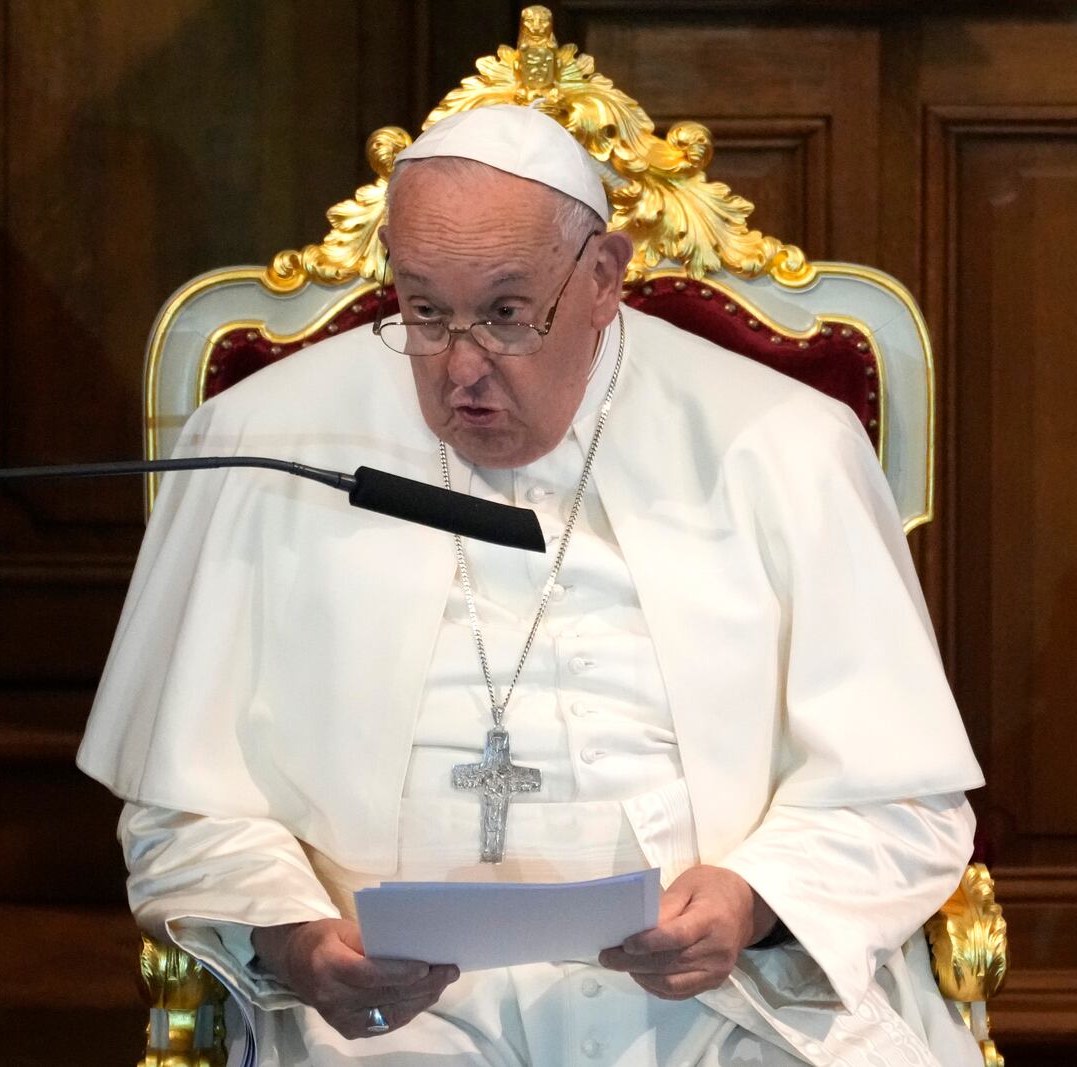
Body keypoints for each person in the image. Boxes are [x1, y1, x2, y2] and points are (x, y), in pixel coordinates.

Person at [78, 104, 987, 1067]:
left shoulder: (783, 442)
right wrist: (294, 938)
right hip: (388, 1019)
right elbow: (183, 804)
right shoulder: (265, 444)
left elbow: (905, 801)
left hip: (723, 1005)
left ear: (603, 278)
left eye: (507, 314)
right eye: (423, 311)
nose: (460, 367)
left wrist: (753, 901)